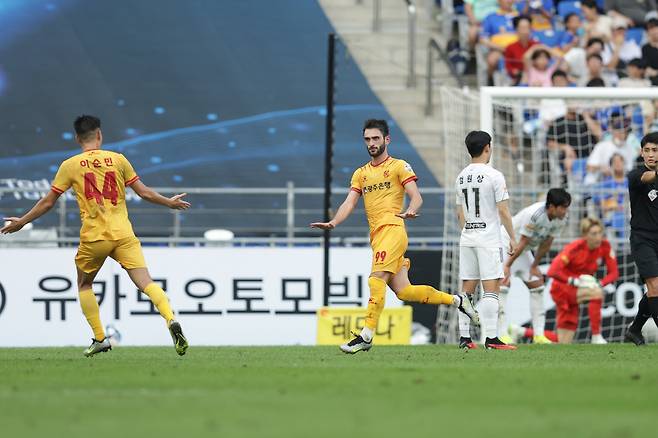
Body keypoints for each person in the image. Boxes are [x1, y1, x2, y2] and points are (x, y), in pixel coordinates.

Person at [0, 115, 190, 357]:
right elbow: (143, 193)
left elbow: (48, 203)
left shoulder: (70, 165)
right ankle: (170, 319)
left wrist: (22, 222)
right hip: (123, 234)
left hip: (95, 237)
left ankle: (100, 338)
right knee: (146, 282)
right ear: (99, 134)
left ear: (78, 138)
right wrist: (169, 203)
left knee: (84, 284)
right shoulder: (119, 160)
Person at [310, 119, 479, 354]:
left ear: (386, 139)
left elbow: (416, 196)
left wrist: (412, 209)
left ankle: (366, 336)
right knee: (404, 291)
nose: (371, 143)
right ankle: (459, 301)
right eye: (367, 139)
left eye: (375, 138)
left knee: (375, 279)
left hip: (393, 229)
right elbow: (349, 202)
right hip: (377, 236)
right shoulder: (361, 173)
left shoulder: (400, 166)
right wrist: (334, 222)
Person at [456, 130, 517, 350]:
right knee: (491, 287)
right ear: (487, 148)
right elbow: (503, 210)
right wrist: (513, 237)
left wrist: (469, 231)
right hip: (488, 238)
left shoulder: (461, 176)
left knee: (467, 288)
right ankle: (491, 338)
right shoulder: (494, 175)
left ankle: (464, 337)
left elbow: (459, 213)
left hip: (467, 237)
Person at [499, 188, 571, 344]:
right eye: (563, 207)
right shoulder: (535, 214)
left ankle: (539, 335)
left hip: (521, 250)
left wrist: (534, 265)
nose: (565, 211)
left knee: (537, 286)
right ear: (551, 206)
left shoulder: (562, 219)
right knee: (503, 286)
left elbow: (547, 243)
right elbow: (522, 241)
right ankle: (501, 334)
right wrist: (507, 266)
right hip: (506, 244)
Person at [547, 217, 619, 344]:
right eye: (594, 234)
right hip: (562, 288)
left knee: (563, 342)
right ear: (585, 235)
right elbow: (552, 271)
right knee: (596, 293)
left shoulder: (605, 246)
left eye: (600, 233)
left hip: (578, 289)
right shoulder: (574, 248)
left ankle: (522, 332)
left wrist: (600, 283)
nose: (598, 237)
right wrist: (572, 281)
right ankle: (596, 336)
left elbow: (614, 273)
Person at [624, 132, 658, 345]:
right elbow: (648, 177)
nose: (650, 155)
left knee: (654, 289)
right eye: (647, 150)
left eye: (655, 150)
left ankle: (635, 329)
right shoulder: (636, 175)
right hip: (642, 239)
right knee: (655, 286)